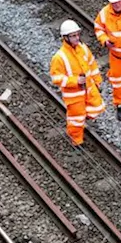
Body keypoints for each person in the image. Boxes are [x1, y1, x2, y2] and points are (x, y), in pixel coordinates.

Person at [50, 20, 105, 148]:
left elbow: (92, 65)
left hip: (88, 89)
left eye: (77, 34)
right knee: (76, 119)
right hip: (74, 96)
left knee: (94, 108)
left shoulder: (83, 49)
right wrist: (74, 81)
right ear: (65, 38)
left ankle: (86, 123)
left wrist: (97, 81)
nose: (77, 38)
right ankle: (77, 141)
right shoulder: (60, 57)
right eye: (73, 36)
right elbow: (56, 78)